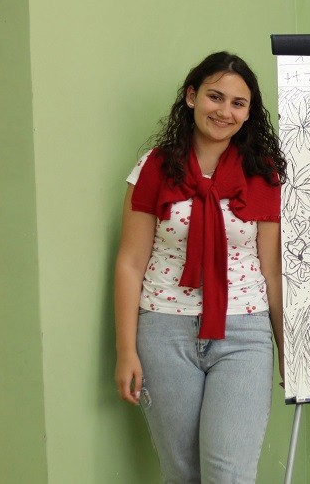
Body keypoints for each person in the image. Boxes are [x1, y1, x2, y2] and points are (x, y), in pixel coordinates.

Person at [113, 51, 287, 483]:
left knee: (228, 474)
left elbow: (271, 271)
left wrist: (288, 350)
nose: (224, 111)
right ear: (192, 97)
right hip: (164, 331)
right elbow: (131, 263)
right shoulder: (155, 167)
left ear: (248, 113)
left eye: (238, 103)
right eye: (215, 96)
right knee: (182, 473)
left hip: (244, 332)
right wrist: (125, 350)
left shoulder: (262, 173)